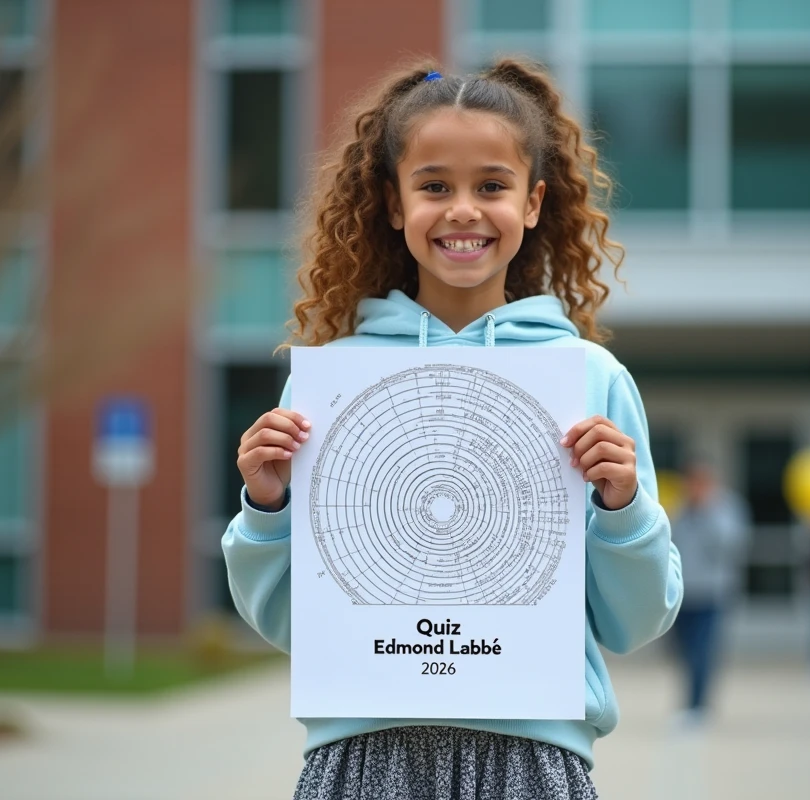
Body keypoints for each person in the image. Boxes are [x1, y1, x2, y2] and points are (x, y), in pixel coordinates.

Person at [222, 59, 683, 799]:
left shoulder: (591, 381)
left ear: (533, 203)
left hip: (533, 763)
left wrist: (624, 511)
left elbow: (634, 622)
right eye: (434, 186)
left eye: (491, 186)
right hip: (361, 761)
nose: (463, 209)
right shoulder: (329, 384)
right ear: (393, 203)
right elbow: (288, 626)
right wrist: (268, 510)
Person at [665, 458, 749, 723]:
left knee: (703, 651)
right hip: (682, 592)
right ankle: (692, 702)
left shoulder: (727, 506)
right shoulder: (678, 506)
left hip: (712, 592)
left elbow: (731, 543)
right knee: (683, 651)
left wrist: (706, 511)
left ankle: (697, 706)